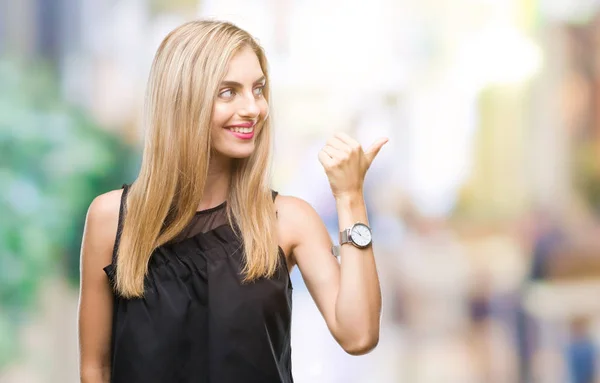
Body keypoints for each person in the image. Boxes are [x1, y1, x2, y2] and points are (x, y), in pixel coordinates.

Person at [77, 19, 387, 383]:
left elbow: (359, 335)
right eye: (229, 92)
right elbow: (95, 368)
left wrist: (350, 198)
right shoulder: (111, 219)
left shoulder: (286, 220)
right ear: (183, 101)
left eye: (258, 89)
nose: (253, 108)